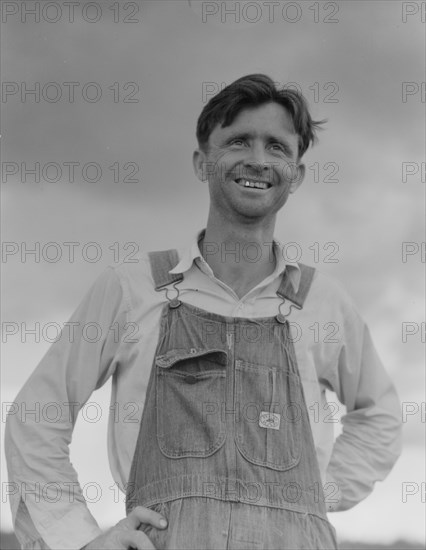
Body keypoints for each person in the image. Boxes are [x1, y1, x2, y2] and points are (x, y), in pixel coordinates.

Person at [6, 74, 402, 550]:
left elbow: (380, 414)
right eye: (238, 141)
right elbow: (36, 417)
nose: (258, 159)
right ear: (202, 162)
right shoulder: (132, 289)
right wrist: (79, 542)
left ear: (296, 173)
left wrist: (317, 495)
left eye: (277, 147)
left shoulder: (323, 302)